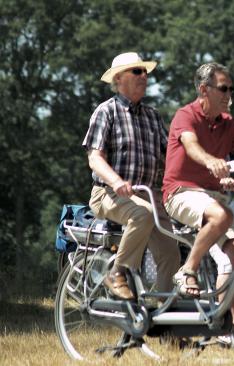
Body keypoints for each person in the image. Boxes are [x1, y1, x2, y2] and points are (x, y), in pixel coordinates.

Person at [162, 62, 234, 333]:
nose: (229, 94)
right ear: (204, 90)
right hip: (182, 193)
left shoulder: (228, 123)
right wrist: (212, 162)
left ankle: (233, 323)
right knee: (221, 216)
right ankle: (187, 270)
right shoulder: (186, 115)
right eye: (223, 89)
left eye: (231, 89)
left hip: (215, 197)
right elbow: (192, 147)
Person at [82, 52, 180, 300]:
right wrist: (116, 181)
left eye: (145, 72)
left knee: (171, 251)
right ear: (118, 78)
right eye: (137, 71)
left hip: (147, 196)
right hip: (108, 193)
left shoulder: (152, 116)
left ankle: (163, 314)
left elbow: (170, 158)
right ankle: (117, 273)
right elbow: (95, 158)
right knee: (142, 214)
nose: (144, 76)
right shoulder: (106, 112)